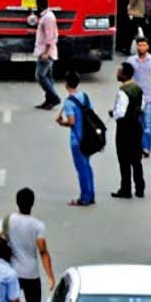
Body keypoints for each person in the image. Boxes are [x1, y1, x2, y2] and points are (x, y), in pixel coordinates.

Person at [0, 188, 54, 302]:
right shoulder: (37, 225)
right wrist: (50, 277)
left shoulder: (6, 220)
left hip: (11, 272)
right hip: (31, 274)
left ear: (17, 202)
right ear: (32, 203)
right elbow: (43, 252)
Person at [56, 71, 95, 206]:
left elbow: (71, 121)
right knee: (87, 167)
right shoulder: (84, 96)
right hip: (88, 138)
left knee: (81, 169)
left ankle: (84, 197)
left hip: (77, 140)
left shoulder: (68, 102)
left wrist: (62, 122)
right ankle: (91, 194)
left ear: (66, 84)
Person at [110, 62, 146, 198]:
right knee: (136, 158)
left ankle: (126, 188)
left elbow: (120, 112)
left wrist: (112, 114)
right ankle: (140, 187)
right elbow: (142, 105)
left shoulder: (123, 91)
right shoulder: (138, 88)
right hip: (136, 126)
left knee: (124, 158)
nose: (117, 74)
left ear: (124, 74)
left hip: (125, 128)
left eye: (119, 71)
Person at [33, 0, 60, 110]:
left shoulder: (48, 18)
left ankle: (54, 97)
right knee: (48, 77)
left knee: (40, 75)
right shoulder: (47, 16)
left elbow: (50, 37)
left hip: (45, 52)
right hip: (46, 51)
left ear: (39, 4)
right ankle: (48, 101)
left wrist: (46, 53)